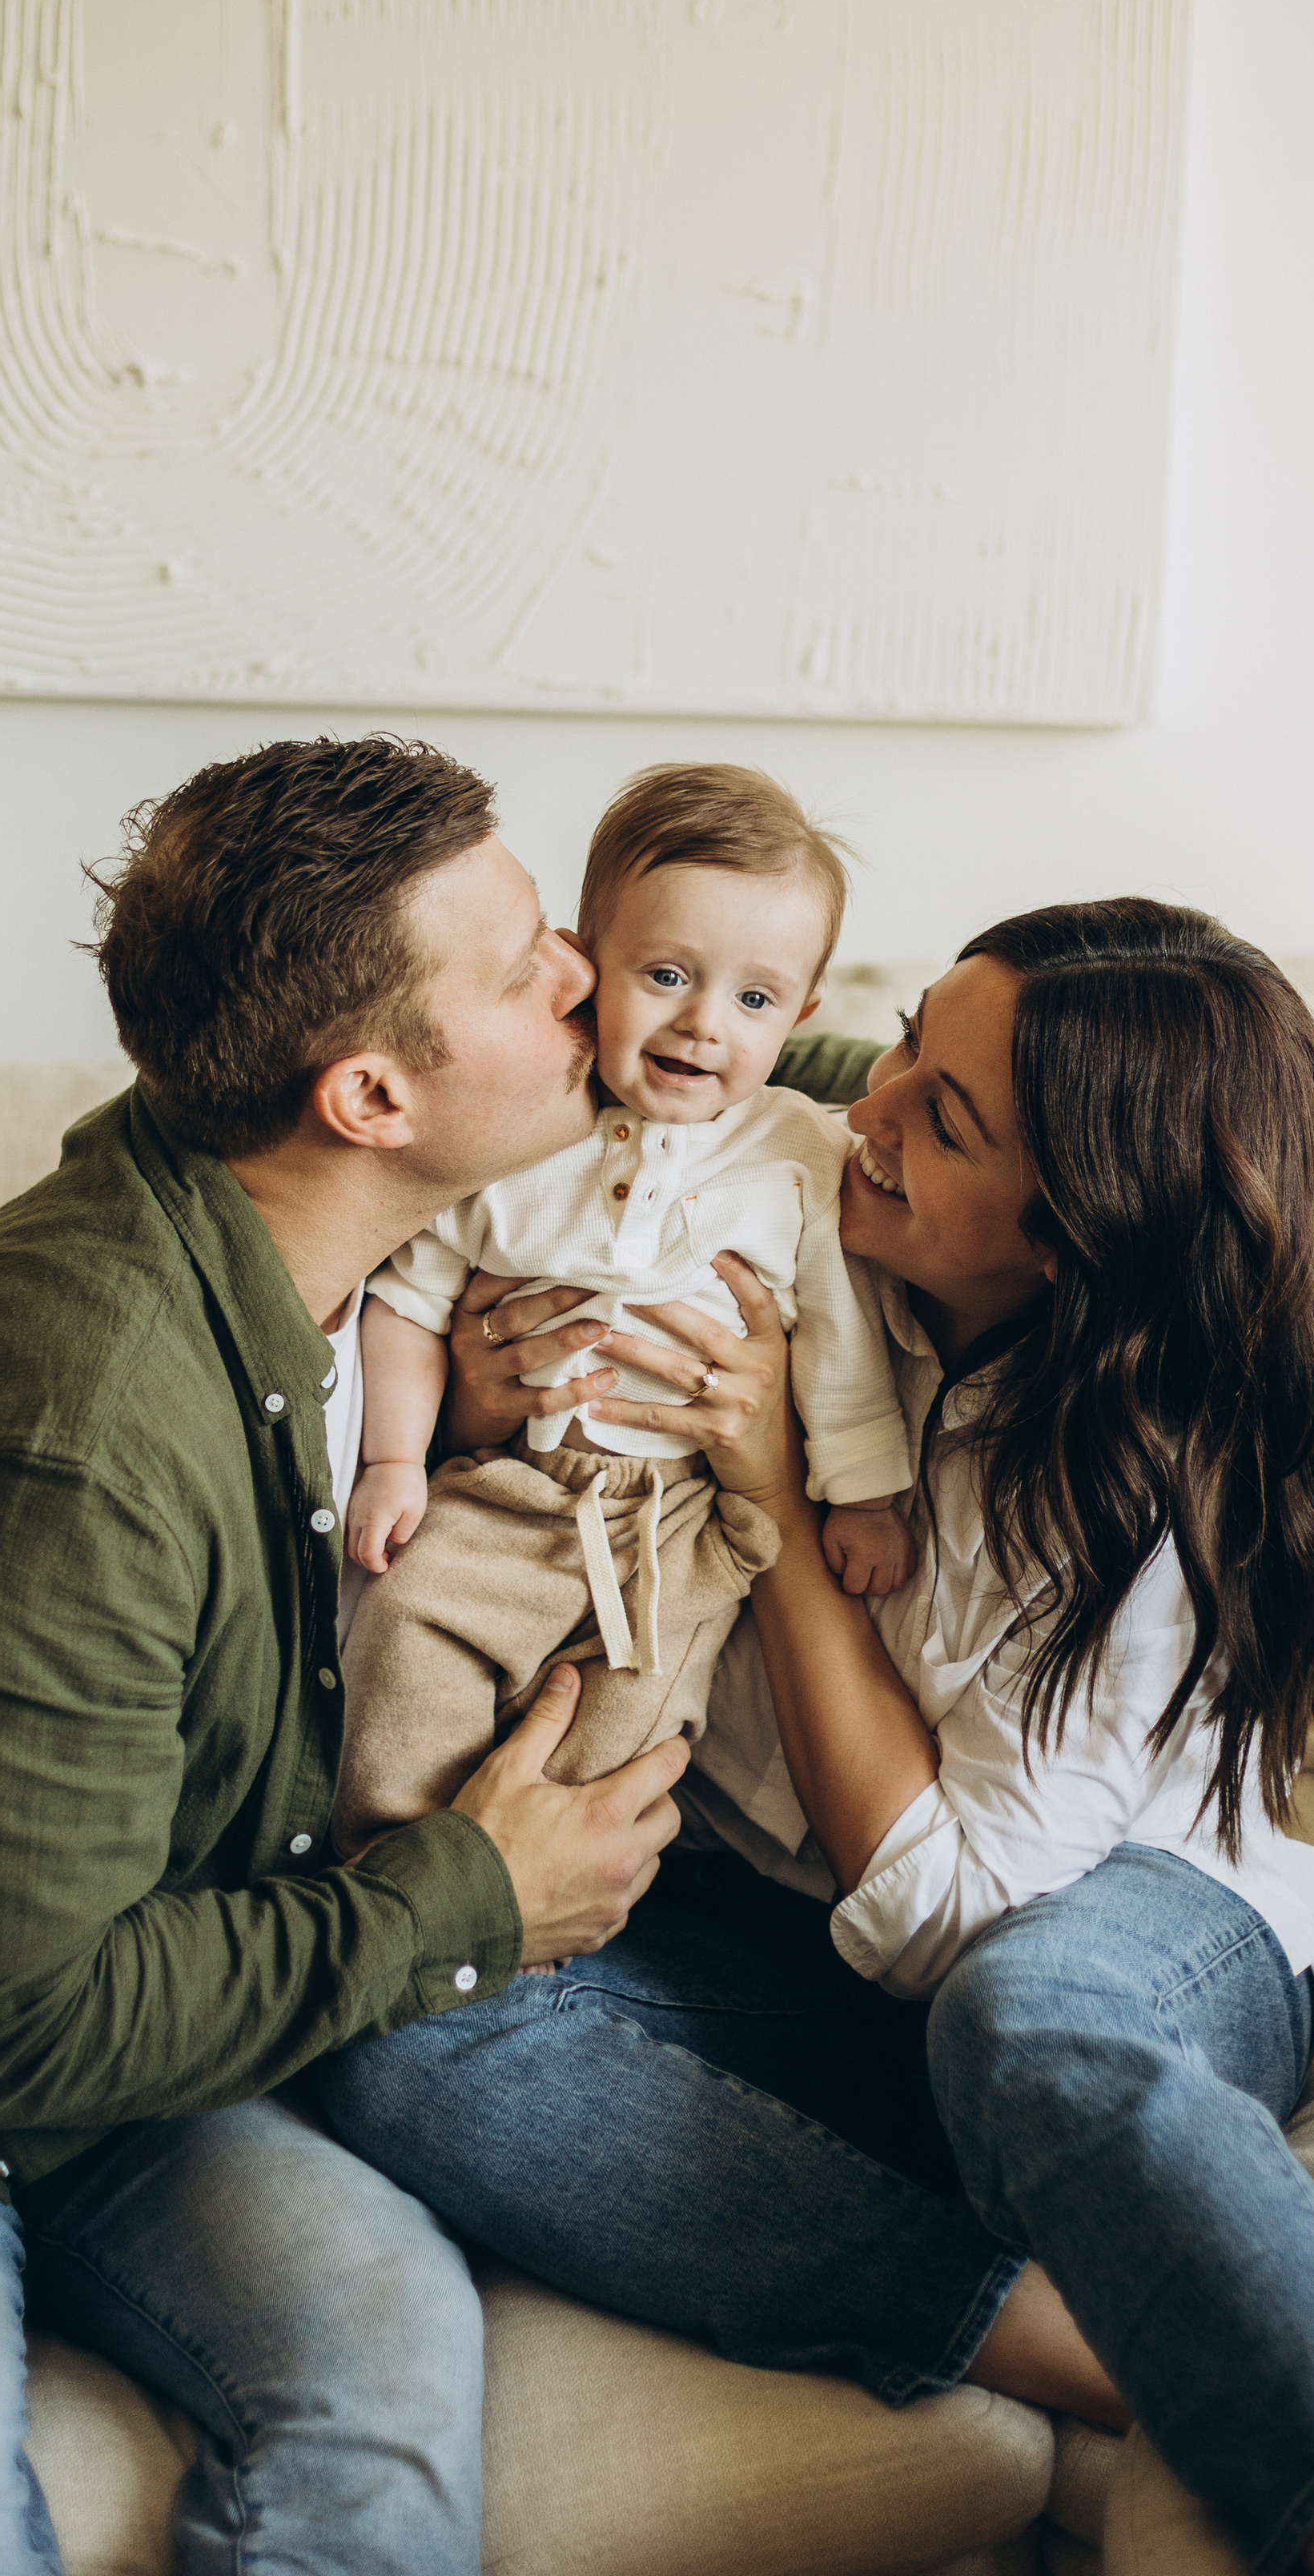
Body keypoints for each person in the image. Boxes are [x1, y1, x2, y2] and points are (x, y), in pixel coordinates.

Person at [318, 902, 1314, 2576]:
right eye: (899, 1051)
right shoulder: (803, 1205)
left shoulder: (1146, 1489)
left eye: (936, 1118)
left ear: (1077, 1229)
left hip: (1110, 1938)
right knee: (397, 2019)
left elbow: (956, 1920)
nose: (857, 1111)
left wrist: (776, 1510)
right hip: (790, 1945)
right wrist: (490, 1393)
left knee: (1022, 2014)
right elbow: (607, 1152)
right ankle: (1099, 2349)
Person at [0, 735, 692, 2576]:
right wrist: (466, 1900)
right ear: (366, 1093)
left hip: (138, 2022)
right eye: (526, 963)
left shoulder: (301, 1265)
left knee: (389, 2352)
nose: (584, 977)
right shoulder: (69, 1433)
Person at [333, 763, 913, 1858]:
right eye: (665, 974)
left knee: (639, 1725)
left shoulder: (800, 1151)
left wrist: (865, 1492)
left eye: (754, 999)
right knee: (408, 1639)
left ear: (800, 1013)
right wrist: (396, 1463)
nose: (704, 1024)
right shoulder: (521, 1134)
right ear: (582, 962)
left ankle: (563, 1905)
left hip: (681, 1521)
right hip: (506, 1492)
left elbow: (835, 1334)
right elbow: (408, 1299)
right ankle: (394, 1868)